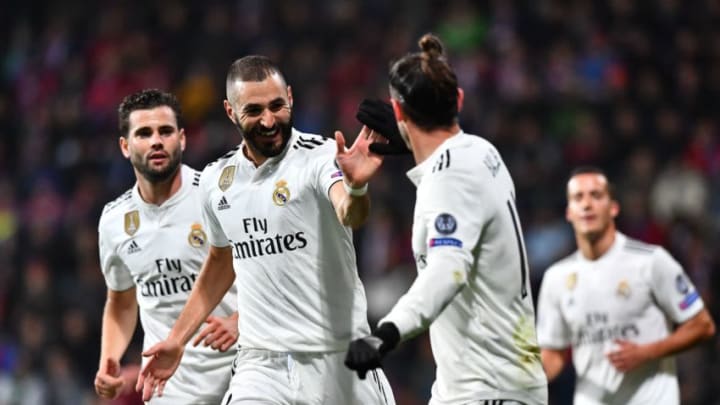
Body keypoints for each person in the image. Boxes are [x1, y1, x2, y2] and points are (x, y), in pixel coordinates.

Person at [136, 56, 395, 404]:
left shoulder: (319, 157)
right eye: (254, 110)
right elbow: (220, 259)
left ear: (290, 97)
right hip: (262, 367)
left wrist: (357, 187)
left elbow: (350, 212)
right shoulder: (217, 181)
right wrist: (177, 338)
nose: (269, 120)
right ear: (231, 112)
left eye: (277, 106)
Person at [344, 33, 548, 404]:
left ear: (399, 111)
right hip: (480, 384)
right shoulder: (484, 153)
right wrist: (414, 141)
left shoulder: (447, 179)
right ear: (459, 100)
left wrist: (386, 332)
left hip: (488, 388)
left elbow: (448, 268)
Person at [95, 89, 239, 404]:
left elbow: (271, 269)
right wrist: (110, 358)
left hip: (242, 374)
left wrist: (241, 320)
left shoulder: (217, 196)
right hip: (167, 386)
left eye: (165, 131)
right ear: (125, 146)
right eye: (144, 133)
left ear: (182, 139)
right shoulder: (114, 220)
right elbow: (121, 300)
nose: (156, 141)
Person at [535, 166, 716, 404]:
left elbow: (703, 325)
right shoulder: (556, 277)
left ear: (613, 208)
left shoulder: (652, 261)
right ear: (569, 212)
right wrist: (516, 384)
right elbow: (554, 354)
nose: (587, 204)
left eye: (596, 195)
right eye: (578, 198)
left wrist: (647, 352)